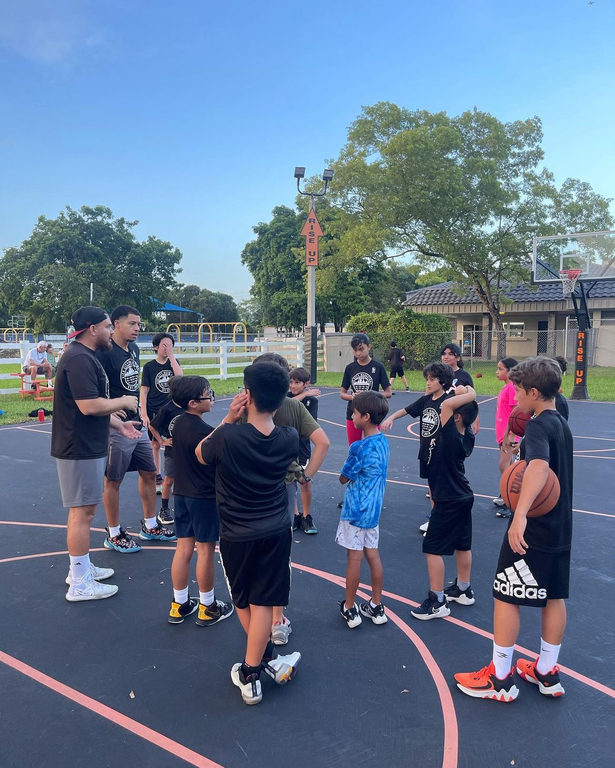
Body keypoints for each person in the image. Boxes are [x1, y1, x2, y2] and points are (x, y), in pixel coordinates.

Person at [455, 357, 573, 702]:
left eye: (518, 391)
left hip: (534, 526)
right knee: (554, 595)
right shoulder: (560, 422)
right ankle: (546, 671)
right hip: (560, 524)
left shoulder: (536, 426)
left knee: (506, 594)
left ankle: (500, 677)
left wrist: (519, 515)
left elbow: (538, 468)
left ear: (534, 393)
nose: (515, 396)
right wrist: (517, 453)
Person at [196, 362, 303, 706]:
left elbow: (200, 453)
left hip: (238, 533)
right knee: (262, 601)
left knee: (244, 599)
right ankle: (264, 658)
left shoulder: (228, 436)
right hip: (276, 529)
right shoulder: (289, 437)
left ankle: (250, 672)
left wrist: (229, 417)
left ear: (247, 395)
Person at [51, 306, 143, 601]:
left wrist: (118, 424)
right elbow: (89, 406)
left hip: (86, 444)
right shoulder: (79, 358)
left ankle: (80, 568)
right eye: (106, 327)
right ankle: (79, 583)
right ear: (92, 329)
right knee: (83, 513)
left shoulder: (85, 356)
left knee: (83, 511)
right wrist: (124, 401)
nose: (110, 332)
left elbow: (91, 405)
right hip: (78, 447)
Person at [246, 353, 330, 645]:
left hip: (247, 489)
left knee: (250, 552)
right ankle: (277, 619)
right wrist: (306, 475)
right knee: (279, 554)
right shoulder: (292, 406)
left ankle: (254, 619)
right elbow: (323, 442)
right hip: (282, 487)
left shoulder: (245, 406)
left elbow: (210, 450)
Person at [96, 305, 176, 552]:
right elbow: (92, 384)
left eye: (139, 324)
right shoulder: (104, 351)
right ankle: (114, 533)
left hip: (136, 422)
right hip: (116, 425)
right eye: (132, 323)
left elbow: (133, 384)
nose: (137, 328)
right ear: (116, 324)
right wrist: (108, 410)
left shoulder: (134, 349)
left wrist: (141, 411)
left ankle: (150, 525)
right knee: (114, 479)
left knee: (150, 472)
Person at [167, 375, 233, 626]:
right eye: (208, 394)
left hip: (182, 495)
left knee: (183, 549)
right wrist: (232, 418)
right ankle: (207, 606)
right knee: (205, 551)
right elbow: (217, 439)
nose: (212, 397)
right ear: (193, 402)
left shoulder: (179, 424)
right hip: (203, 497)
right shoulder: (201, 431)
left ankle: (179, 603)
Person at [410, 386, 478, 620]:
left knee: (432, 548)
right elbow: (459, 406)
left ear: (455, 417)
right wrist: (466, 390)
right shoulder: (467, 433)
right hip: (463, 495)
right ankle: (463, 589)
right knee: (462, 545)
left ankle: (437, 602)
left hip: (448, 497)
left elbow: (447, 404)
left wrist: (471, 394)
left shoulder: (449, 433)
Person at [337, 391, 390, 628]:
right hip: (373, 509)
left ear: (366, 417)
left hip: (356, 510)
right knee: (373, 555)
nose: (352, 416)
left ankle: (350, 607)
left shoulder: (359, 447)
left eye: (355, 413)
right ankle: (376, 605)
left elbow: (344, 478)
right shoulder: (383, 441)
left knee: (354, 558)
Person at [381, 362, 454, 534]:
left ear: (443, 381)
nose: (428, 383)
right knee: (432, 489)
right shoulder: (426, 400)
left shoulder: (448, 402)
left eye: (432, 379)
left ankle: (442, 524)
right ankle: (435, 519)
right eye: (427, 379)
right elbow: (406, 410)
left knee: (441, 490)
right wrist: (391, 417)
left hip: (441, 453)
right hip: (426, 452)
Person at [141, 332, 183, 494]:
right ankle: (157, 477)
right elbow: (144, 391)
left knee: (174, 442)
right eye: (164, 345)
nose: (167, 348)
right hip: (154, 408)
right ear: (156, 347)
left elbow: (180, 378)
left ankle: (173, 477)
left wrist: (171, 356)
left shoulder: (173, 363)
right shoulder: (149, 367)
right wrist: (144, 413)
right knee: (156, 444)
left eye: (170, 345)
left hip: (171, 409)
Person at [341, 334, 392, 447]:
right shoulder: (350, 368)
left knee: (372, 447)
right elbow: (342, 393)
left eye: (361, 349)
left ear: (369, 347)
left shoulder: (378, 367)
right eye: (355, 350)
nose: (358, 353)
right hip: (354, 413)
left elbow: (388, 393)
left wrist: (370, 396)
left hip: (372, 413)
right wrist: (352, 397)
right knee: (354, 447)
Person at [287, 367, 320, 534]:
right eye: (291, 382)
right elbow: (287, 405)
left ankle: (306, 516)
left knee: (305, 482)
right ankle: (295, 515)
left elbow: (309, 423)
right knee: (290, 482)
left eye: (297, 382)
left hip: (302, 448)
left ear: (306, 383)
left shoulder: (311, 401)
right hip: (287, 447)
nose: (293, 386)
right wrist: (305, 394)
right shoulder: (286, 397)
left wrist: (307, 395)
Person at [149, 395, 184, 526]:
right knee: (169, 480)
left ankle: (183, 508)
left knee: (185, 480)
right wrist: (161, 441)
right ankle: (164, 509)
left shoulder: (188, 406)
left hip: (186, 450)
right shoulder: (167, 409)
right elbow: (152, 426)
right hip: (172, 451)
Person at [492, 357, 519, 519]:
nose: (497, 372)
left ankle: (512, 501)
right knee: (508, 466)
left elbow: (516, 413)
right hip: (502, 433)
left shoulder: (512, 388)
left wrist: (512, 435)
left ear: (510, 371)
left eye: (501, 369)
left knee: (504, 466)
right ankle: (506, 494)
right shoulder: (506, 387)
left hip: (508, 435)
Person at [441, 343, 480, 433]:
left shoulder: (464, 376)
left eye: (450, 354)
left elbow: (472, 400)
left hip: (458, 418)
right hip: (441, 414)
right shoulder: (438, 374)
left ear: (458, 358)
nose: (446, 357)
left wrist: (475, 420)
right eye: (444, 354)